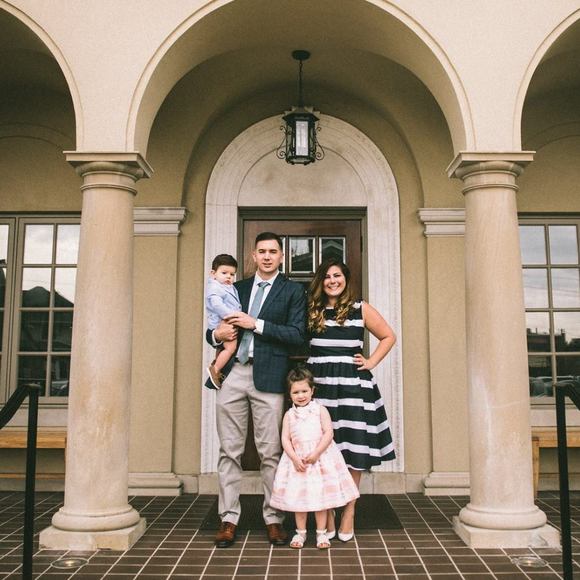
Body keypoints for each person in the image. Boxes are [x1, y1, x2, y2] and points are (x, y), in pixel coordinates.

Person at [207, 232, 306, 548]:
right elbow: (212, 327)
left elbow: (297, 335)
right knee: (229, 450)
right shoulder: (236, 287)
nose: (266, 256)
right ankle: (228, 518)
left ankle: (274, 518)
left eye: (273, 251)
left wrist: (256, 324)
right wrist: (216, 335)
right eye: (261, 251)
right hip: (233, 374)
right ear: (253, 255)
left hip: (270, 377)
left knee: (271, 452)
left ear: (281, 256)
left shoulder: (293, 291)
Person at [307, 258, 396, 542]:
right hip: (321, 387)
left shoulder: (360, 308)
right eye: (327, 276)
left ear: (345, 279)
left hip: (353, 387)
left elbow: (388, 336)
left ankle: (349, 509)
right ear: (320, 281)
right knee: (325, 449)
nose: (332, 281)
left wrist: (370, 362)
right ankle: (329, 509)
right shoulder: (312, 309)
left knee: (353, 450)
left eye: (337, 275)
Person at [270, 366, 360, 550]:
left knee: (321, 498)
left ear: (312, 390)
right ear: (290, 395)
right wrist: (294, 458)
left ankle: (321, 533)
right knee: (299, 500)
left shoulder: (320, 410)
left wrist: (317, 452)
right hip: (299, 463)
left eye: (304, 391)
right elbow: (285, 438)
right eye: (296, 392)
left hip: (319, 460)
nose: (301, 395)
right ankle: (301, 532)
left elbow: (328, 433)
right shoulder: (289, 415)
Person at [205, 254, 242, 388]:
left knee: (223, 348)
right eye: (224, 273)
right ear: (213, 274)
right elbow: (216, 305)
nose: (228, 277)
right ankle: (215, 369)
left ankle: (217, 365)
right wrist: (231, 315)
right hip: (225, 321)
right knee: (231, 348)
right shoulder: (215, 287)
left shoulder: (227, 286)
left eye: (232, 274)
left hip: (226, 319)